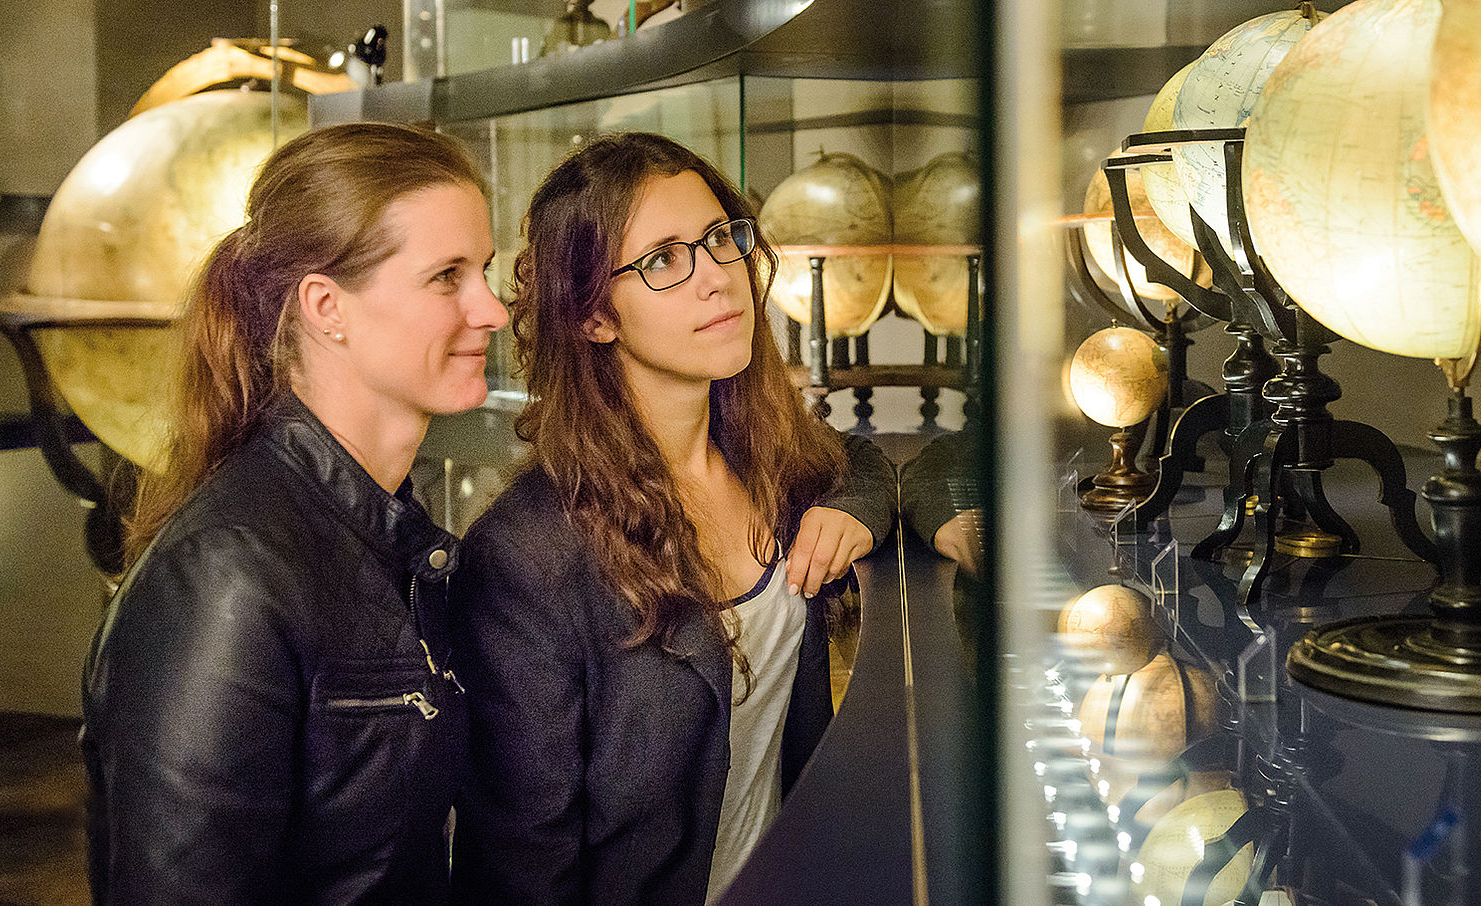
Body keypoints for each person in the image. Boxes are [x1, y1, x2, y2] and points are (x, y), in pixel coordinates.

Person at [450, 132, 897, 906]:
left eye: (721, 239)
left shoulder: (770, 459)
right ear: (594, 317)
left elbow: (867, 463)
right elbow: (521, 875)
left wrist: (853, 510)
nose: (719, 280)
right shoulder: (526, 558)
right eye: (662, 260)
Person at [80, 122, 507, 905]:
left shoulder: (388, 539)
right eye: (447, 276)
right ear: (324, 306)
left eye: (483, 269)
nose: (493, 309)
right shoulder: (226, 577)